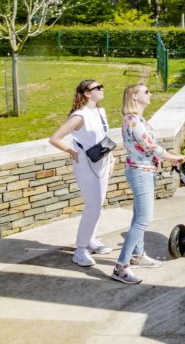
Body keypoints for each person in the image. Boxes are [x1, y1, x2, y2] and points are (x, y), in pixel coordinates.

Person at [112, 83, 185, 285]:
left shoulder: (139, 119)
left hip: (145, 171)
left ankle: (138, 255)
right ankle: (121, 266)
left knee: (139, 216)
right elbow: (149, 145)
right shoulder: (132, 120)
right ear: (134, 97)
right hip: (140, 172)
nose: (149, 94)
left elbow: (150, 145)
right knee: (144, 218)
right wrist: (171, 157)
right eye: (145, 91)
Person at [49, 78, 113, 267]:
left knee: (98, 205)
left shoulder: (100, 112)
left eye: (102, 86)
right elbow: (55, 138)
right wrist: (72, 151)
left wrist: (113, 157)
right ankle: (81, 250)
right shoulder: (79, 116)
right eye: (97, 87)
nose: (102, 89)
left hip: (102, 161)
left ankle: (91, 239)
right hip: (86, 164)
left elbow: (103, 136)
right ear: (87, 93)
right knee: (93, 206)